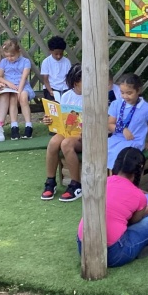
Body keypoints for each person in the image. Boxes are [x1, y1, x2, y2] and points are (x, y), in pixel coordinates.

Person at [77, 147, 148, 267]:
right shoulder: (140, 196)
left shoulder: (102, 181)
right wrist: (144, 213)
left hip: (83, 248)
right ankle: (140, 247)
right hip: (114, 254)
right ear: (139, 171)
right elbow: (133, 222)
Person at [41, 63, 84, 202]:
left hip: (84, 136)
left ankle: (76, 184)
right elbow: (61, 118)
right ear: (75, 82)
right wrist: (49, 120)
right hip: (68, 131)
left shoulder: (92, 96)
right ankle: (50, 181)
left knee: (66, 144)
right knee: (53, 142)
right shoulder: (66, 96)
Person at [107, 73, 148, 170]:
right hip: (116, 138)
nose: (125, 96)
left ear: (138, 90)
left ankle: (114, 177)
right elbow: (110, 124)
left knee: (118, 154)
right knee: (101, 149)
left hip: (134, 141)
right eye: (122, 92)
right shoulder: (116, 104)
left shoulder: (146, 109)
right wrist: (123, 129)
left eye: (129, 93)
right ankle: (104, 176)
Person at [0, 38, 36, 142]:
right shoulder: (4, 62)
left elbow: (23, 78)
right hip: (10, 88)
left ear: (19, 52)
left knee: (23, 97)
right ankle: (14, 127)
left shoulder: (25, 62)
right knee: (12, 99)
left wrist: (19, 91)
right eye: (7, 56)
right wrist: (8, 83)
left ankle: (28, 126)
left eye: (12, 56)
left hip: (23, 86)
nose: (9, 58)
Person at [40, 36, 72, 102]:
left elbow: (68, 78)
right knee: (53, 103)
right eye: (56, 54)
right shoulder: (46, 62)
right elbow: (45, 80)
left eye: (61, 54)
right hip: (51, 87)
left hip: (64, 87)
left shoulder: (66, 62)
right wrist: (50, 91)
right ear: (50, 51)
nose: (59, 56)